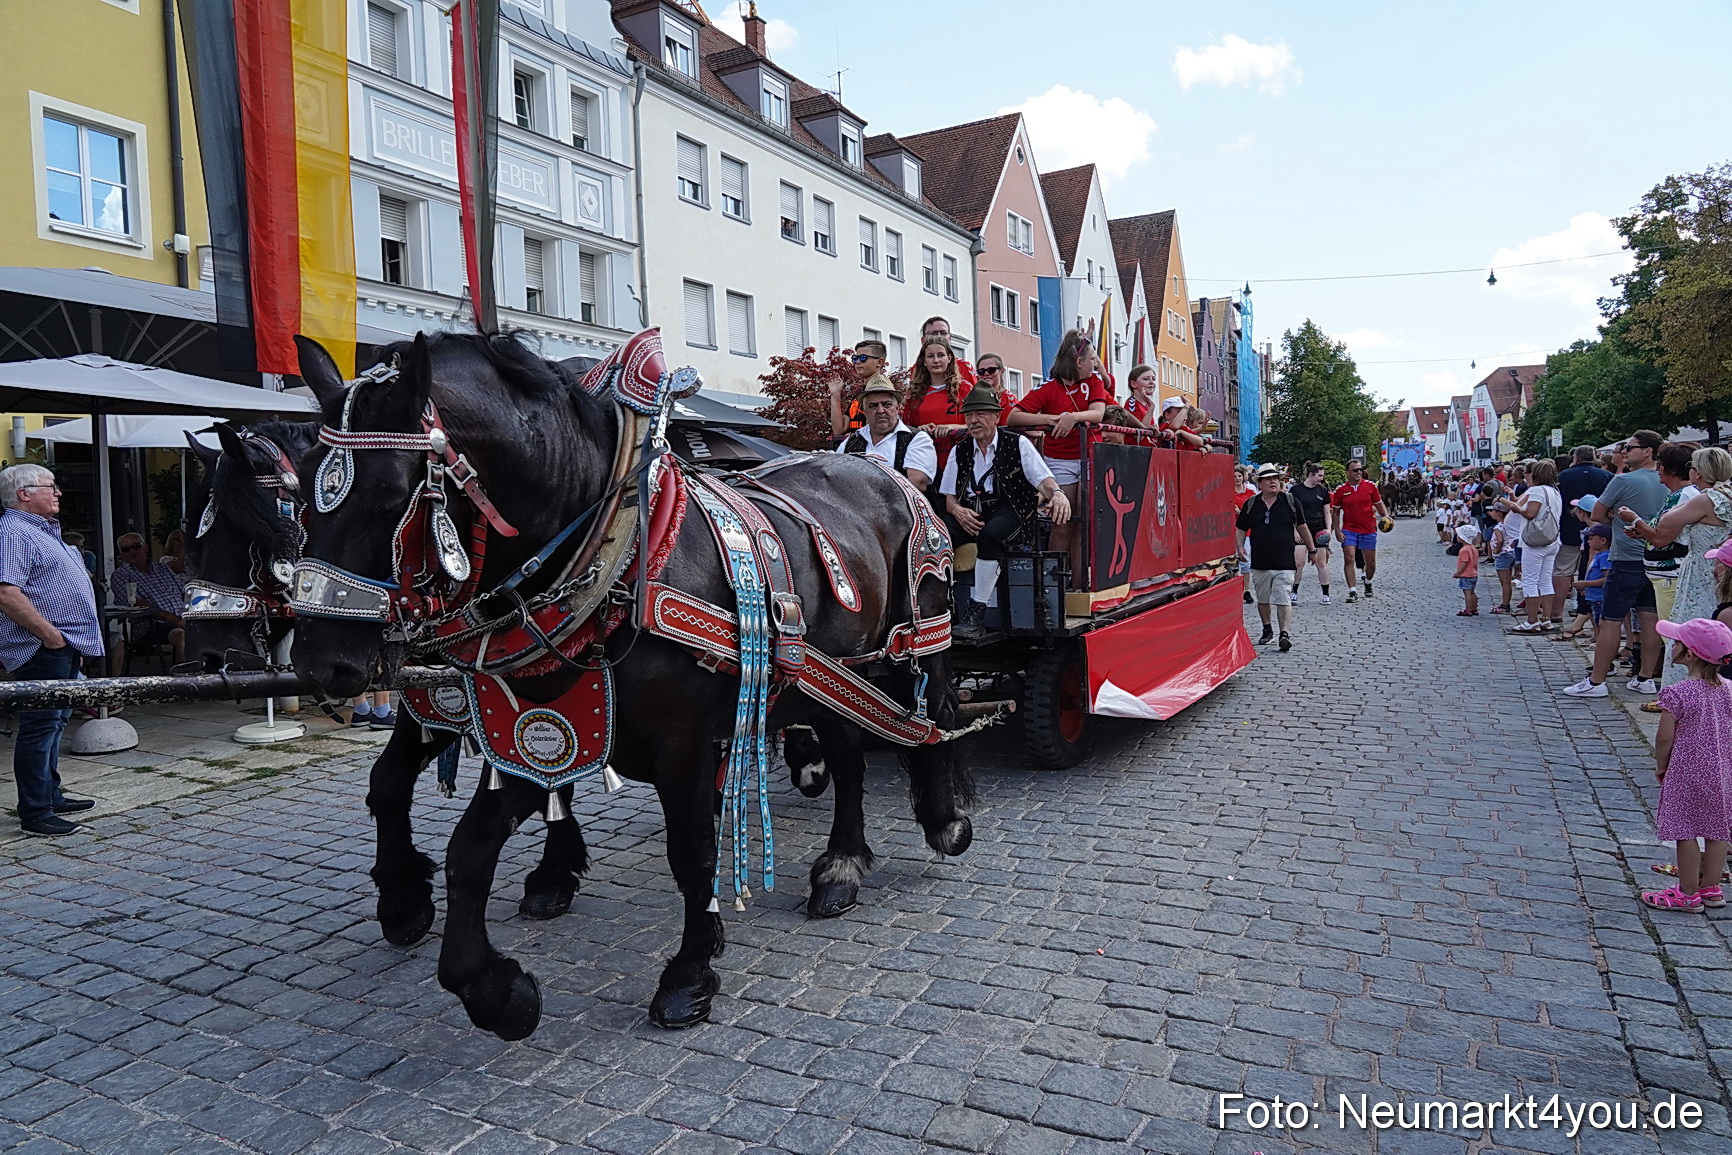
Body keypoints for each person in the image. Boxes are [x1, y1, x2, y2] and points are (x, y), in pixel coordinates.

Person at [0, 465, 103, 837]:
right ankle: (36, 812)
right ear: (24, 494)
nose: (58, 492)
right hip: (41, 647)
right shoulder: (13, 532)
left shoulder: (39, 531)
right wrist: (50, 636)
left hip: (61, 644)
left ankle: (50, 794)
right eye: (51, 486)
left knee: (55, 723)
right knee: (40, 726)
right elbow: (6, 593)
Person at [938, 387, 1071, 639]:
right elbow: (949, 498)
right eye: (968, 415)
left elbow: (1044, 480)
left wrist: (1058, 494)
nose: (973, 420)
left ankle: (976, 613)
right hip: (971, 512)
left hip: (1013, 511)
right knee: (935, 535)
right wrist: (958, 511)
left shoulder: (1017, 443)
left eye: (980, 414)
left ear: (996, 417)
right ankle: (937, 607)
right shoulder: (960, 450)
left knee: (991, 534)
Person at [1565, 429, 1669, 697]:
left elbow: (1598, 514)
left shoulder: (1623, 481)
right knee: (1649, 618)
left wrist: (1614, 516)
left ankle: (1597, 681)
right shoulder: (1666, 480)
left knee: (1610, 620)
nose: (1624, 452)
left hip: (1626, 557)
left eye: (1630, 448)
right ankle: (1645, 677)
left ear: (1648, 451)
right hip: (1657, 559)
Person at [1638, 618, 1732, 913]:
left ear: (1688, 655)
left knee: (1686, 830)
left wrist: (1661, 765)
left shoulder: (1678, 693)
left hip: (1687, 772)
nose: (1672, 644)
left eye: (1676, 642)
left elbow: (1665, 737)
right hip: (1724, 772)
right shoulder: (1730, 689)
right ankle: (1711, 889)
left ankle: (1687, 893)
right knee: (1718, 831)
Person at [1625, 446, 1732, 695]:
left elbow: (1665, 524)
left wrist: (1641, 520)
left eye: (1693, 467)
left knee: (1691, 628)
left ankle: (1686, 695)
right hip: (1722, 569)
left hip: (1700, 570)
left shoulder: (1708, 498)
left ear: (1700, 472)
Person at [1008, 330, 1109, 572]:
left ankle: (1080, 585)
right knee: (1063, 522)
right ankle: (1055, 586)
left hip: (1089, 457)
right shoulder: (1049, 387)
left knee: (1085, 525)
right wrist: (1051, 419)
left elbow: (1098, 413)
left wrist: (1072, 417)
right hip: (1059, 459)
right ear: (1078, 362)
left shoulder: (1093, 380)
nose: (1095, 364)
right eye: (1092, 359)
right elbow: (1013, 416)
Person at [1235, 465, 1316, 651]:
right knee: (1263, 599)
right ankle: (1267, 629)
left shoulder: (1290, 501)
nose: (1273, 481)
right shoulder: (1251, 504)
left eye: (1275, 478)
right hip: (1260, 561)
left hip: (1285, 561)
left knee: (1283, 598)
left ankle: (1284, 634)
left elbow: (1302, 527)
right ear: (1260, 484)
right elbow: (1241, 527)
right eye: (1268, 479)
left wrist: (1311, 549)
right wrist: (1240, 546)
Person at [839, 376, 938, 493]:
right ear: (864, 412)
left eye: (887, 404)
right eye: (873, 406)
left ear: (897, 408)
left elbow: (917, 483)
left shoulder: (917, 439)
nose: (880, 410)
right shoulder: (850, 442)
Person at [1553, 446, 1614, 621]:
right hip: (1601, 531)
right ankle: (1585, 609)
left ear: (1576, 458)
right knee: (1593, 569)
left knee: (1563, 571)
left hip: (1568, 528)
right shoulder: (1606, 476)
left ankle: (1556, 612)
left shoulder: (1564, 476)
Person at [111, 531, 188, 666]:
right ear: (121, 554)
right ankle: (184, 674)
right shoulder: (121, 575)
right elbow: (135, 604)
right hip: (150, 625)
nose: (132, 551)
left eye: (136, 546)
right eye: (126, 549)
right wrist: (174, 619)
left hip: (182, 617)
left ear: (145, 547)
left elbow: (184, 592)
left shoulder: (161, 567)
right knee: (181, 635)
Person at [1504, 459, 1563, 633]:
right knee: (1545, 580)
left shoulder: (1537, 491)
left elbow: (1530, 513)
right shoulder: (1555, 491)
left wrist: (1516, 508)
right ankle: (1546, 619)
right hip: (1552, 539)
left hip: (1535, 541)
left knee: (1530, 580)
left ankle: (1532, 620)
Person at [1330, 460, 1390, 602]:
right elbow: (1336, 512)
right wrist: (1337, 530)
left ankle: (1368, 581)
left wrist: (1386, 517)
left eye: (1360, 470)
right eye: (1355, 470)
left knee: (1371, 564)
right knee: (1349, 557)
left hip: (1368, 529)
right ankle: (1352, 590)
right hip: (1349, 529)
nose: (1359, 472)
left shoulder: (1370, 487)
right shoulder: (1341, 490)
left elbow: (1379, 504)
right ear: (1348, 472)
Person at [905, 336, 970, 462]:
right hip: (923, 457)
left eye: (940, 355)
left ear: (949, 358)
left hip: (960, 456)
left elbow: (977, 424)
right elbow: (905, 429)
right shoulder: (914, 393)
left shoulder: (964, 389)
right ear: (924, 361)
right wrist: (919, 429)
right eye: (930, 356)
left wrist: (951, 427)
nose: (936, 360)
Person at [827, 339, 891, 441]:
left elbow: (875, 431)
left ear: (879, 362)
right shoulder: (860, 393)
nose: (857, 362)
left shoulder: (882, 391)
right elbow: (839, 429)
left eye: (863, 358)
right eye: (855, 358)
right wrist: (835, 395)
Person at [1555, 524, 1611, 640]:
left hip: (1598, 596)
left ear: (1603, 541)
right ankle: (1595, 637)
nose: (1588, 542)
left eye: (1591, 539)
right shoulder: (1598, 555)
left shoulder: (1604, 557)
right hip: (1591, 595)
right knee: (1593, 617)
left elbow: (1607, 579)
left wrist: (1586, 584)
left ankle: (1600, 640)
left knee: (1598, 620)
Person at [1289, 463, 1333, 603]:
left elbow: (1327, 512)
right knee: (1298, 562)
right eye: (1319, 475)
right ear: (1311, 474)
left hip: (1318, 529)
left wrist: (1328, 529)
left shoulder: (1323, 490)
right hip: (1301, 529)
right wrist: (1294, 530)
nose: (1321, 478)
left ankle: (1326, 594)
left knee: (1321, 563)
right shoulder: (1296, 490)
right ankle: (1294, 591)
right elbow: (1291, 512)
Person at [920, 316, 976, 388]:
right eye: (933, 333)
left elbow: (976, 396)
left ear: (950, 339)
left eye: (943, 333)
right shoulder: (916, 369)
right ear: (923, 340)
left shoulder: (964, 366)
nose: (939, 337)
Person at [1488, 509, 1517, 615]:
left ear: (1499, 513)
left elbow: (1500, 540)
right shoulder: (1509, 525)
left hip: (1502, 555)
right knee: (1508, 581)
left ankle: (1505, 605)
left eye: (1492, 511)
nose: (1491, 513)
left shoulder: (1498, 527)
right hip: (1511, 552)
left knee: (1505, 583)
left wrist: (1496, 550)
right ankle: (1506, 603)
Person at [1453, 523, 1481, 616]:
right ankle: (1474, 608)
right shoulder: (1473, 548)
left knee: (1467, 593)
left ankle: (1468, 609)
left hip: (1466, 574)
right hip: (1474, 574)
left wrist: (1458, 572)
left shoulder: (1464, 550)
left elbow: (1464, 562)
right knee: (1472, 592)